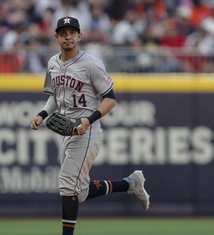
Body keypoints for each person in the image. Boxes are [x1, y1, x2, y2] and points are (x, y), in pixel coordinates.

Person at [29, 16, 150, 235]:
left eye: (72, 33)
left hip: (87, 130)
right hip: (66, 130)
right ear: (56, 36)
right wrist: (42, 114)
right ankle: (129, 184)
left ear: (79, 36)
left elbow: (110, 99)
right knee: (80, 191)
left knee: (67, 184)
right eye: (63, 33)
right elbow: (56, 97)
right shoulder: (52, 63)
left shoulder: (91, 64)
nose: (68, 37)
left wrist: (88, 120)